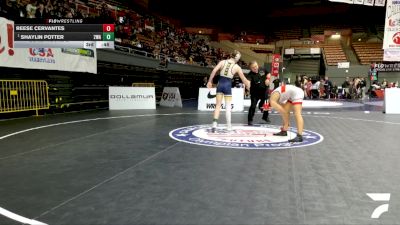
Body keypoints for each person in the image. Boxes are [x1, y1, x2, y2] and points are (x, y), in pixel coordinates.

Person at [207, 50, 250, 131]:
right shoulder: (237, 67)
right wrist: (249, 85)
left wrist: (209, 81)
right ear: (237, 57)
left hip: (220, 85)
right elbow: (244, 79)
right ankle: (229, 126)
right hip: (227, 87)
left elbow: (214, 71)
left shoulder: (222, 62)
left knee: (218, 106)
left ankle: (214, 124)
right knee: (228, 107)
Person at [246, 61, 271, 125]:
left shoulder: (262, 69)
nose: (255, 68)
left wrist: (268, 79)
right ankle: (250, 120)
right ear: (250, 69)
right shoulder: (250, 74)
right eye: (253, 67)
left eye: (256, 66)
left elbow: (268, 73)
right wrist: (247, 86)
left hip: (264, 91)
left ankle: (265, 117)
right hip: (255, 93)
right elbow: (248, 82)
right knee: (253, 106)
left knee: (266, 104)